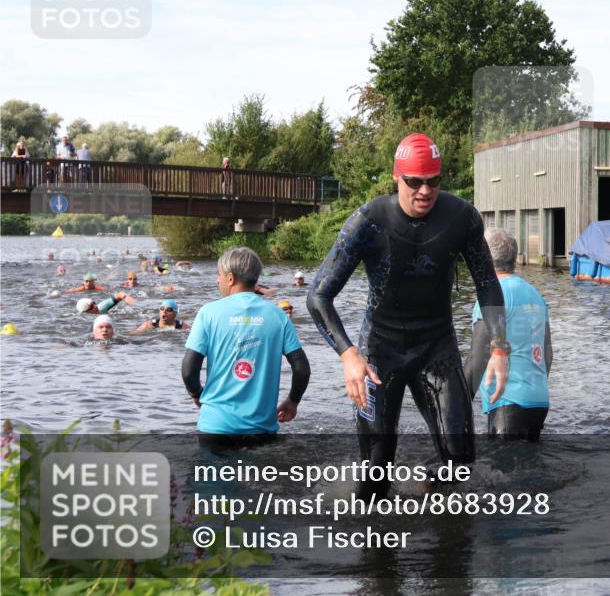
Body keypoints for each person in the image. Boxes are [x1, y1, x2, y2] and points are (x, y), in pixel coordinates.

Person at [307, 132, 508, 499]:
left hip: (436, 347)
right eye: (414, 182)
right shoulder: (367, 222)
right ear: (396, 177)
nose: (424, 191)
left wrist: (499, 346)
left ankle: (431, 502)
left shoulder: (462, 218)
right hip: (379, 353)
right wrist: (349, 355)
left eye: (433, 181)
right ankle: (376, 546)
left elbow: (488, 284)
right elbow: (318, 296)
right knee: (374, 475)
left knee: (460, 460)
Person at [182, 247, 310, 448]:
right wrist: (293, 400)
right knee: (260, 479)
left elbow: (189, 370)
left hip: (216, 428)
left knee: (210, 478)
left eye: (219, 276)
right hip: (261, 430)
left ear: (230, 278)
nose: (218, 281)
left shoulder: (208, 313)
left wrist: (197, 395)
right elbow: (302, 369)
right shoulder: (278, 316)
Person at [464, 228, 552, 440]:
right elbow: (547, 355)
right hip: (539, 401)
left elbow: (478, 356)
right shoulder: (535, 293)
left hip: (507, 403)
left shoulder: (492, 295)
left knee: (502, 470)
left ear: (483, 257)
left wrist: (457, 403)